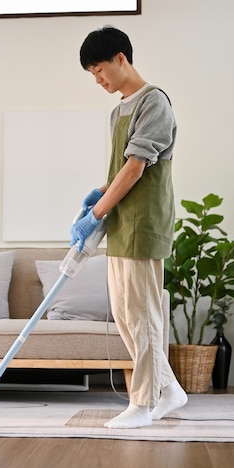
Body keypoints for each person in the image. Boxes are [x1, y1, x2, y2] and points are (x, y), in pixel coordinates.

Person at [70, 26, 187, 428]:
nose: (98, 79)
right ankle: (170, 389)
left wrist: (96, 213)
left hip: (143, 222)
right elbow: (121, 169)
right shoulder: (119, 109)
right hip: (122, 221)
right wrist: (98, 195)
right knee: (125, 314)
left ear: (121, 58)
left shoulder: (153, 102)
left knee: (143, 314)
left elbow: (137, 167)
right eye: (92, 74)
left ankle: (142, 405)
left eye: (99, 69)